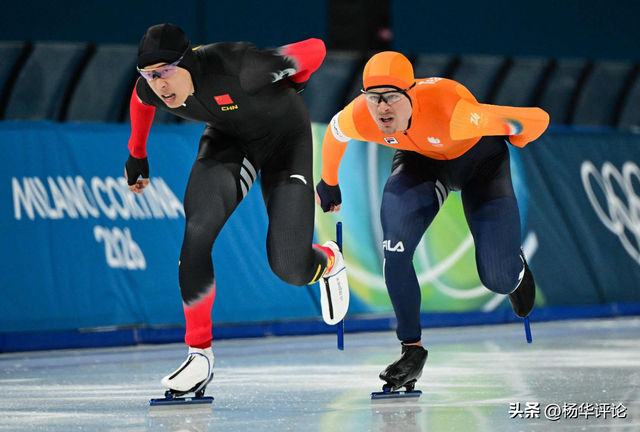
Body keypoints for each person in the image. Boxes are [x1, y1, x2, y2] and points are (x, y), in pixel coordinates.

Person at [124, 23, 349, 399]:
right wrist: (137, 154)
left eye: (166, 71)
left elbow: (316, 48)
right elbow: (139, 99)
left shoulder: (243, 68)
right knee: (197, 231)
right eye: (149, 74)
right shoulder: (152, 87)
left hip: (285, 140)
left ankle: (327, 261)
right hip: (229, 140)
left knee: (290, 268)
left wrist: (294, 81)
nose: (159, 84)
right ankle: (199, 354)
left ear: (188, 61)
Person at [315, 51, 548, 392]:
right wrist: (328, 181)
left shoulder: (453, 112)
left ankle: (514, 269)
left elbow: (536, 119)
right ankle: (411, 350)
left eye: (391, 97)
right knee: (395, 250)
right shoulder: (361, 115)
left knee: (497, 278)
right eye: (374, 97)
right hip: (420, 164)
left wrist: (517, 134)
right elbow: (335, 134)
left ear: (411, 93)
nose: (382, 108)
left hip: (481, 166)